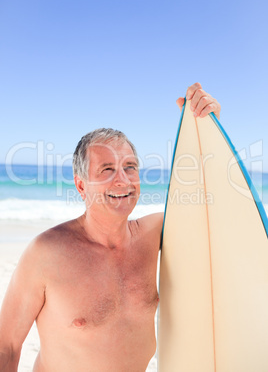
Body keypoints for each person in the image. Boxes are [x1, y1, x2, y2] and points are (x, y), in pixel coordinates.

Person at [0, 83, 221, 371]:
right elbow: (7, 345)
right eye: (107, 169)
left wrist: (207, 128)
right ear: (81, 185)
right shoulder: (46, 253)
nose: (123, 180)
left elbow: (215, 212)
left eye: (130, 167)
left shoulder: (156, 232)